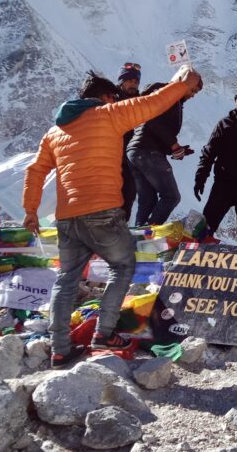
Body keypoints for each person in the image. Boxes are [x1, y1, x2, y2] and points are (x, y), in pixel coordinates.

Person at [22, 67, 203, 368]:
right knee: (122, 265)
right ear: (105, 97)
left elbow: (35, 170)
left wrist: (30, 209)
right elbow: (153, 103)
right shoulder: (109, 114)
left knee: (66, 279)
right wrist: (181, 84)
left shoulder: (55, 132)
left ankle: (59, 349)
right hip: (103, 211)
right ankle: (104, 334)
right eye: (113, 96)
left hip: (67, 217)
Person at [126, 71, 204, 226]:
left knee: (147, 200)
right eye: (193, 89)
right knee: (171, 196)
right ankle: (148, 236)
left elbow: (154, 128)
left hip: (137, 151)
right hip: (148, 152)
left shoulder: (170, 98)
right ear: (184, 81)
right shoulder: (167, 95)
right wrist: (173, 144)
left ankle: (137, 241)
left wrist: (174, 149)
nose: (193, 95)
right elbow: (151, 120)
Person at [194, 83, 237, 246]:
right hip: (224, 184)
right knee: (206, 226)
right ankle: (193, 265)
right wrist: (200, 178)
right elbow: (209, 152)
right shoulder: (224, 124)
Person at [117, 62, 142, 222]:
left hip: (132, 161)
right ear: (121, 81)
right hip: (113, 158)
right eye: (129, 80)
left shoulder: (141, 102)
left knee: (128, 197)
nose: (133, 84)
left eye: (136, 81)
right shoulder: (111, 101)